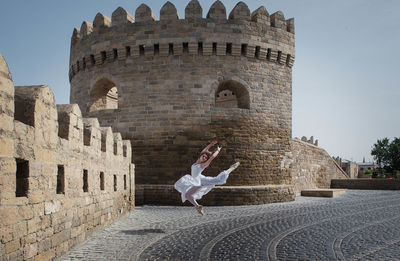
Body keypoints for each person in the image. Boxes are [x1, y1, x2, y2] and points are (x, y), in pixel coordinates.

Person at [174, 140, 240, 215]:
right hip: (197, 179)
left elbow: (212, 157)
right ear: (200, 156)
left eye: (206, 158)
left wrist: (218, 150)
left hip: (199, 181)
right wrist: (210, 145)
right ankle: (198, 207)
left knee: (217, 179)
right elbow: (204, 151)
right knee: (187, 195)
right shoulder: (197, 162)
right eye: (203, 156)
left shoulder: (202, 165)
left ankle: (231, 169)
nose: (204, 158)